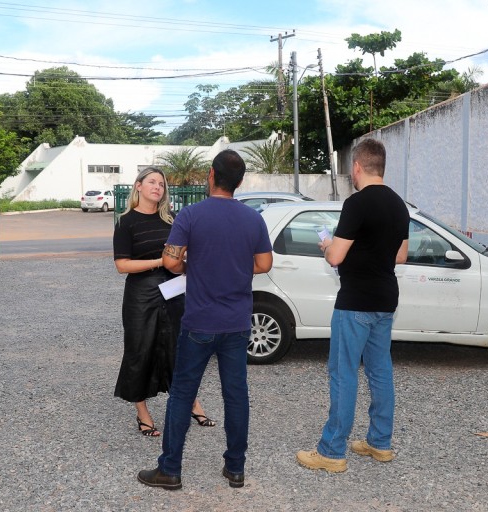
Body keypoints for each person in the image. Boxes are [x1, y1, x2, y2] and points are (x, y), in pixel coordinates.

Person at [137, 149, 273, 491]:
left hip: (199, 322)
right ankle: (236, 468)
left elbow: (171, 261)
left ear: (212, 175)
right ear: (239, 182)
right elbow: (264, 264)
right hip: (237, 324)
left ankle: (170, 469)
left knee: (182, 394)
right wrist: (235, 266)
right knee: (236, 395)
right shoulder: (253, 219)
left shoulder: (191, 215)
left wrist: (192, 265)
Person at [296, 138, 409, 473]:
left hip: (355, 301)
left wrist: (328, 246)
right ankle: (380, 443)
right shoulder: (399, 205)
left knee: (343, 372)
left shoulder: (356, 203)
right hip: (386, 299)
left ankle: (332, 451)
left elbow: (335, 257)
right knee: (380, 370)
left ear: (357, 166)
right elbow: (401, 255)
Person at [112, 167, 215, 438]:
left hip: (174, 292)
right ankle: (142, 412)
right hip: (141, 295)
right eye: (152, 182)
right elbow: (122, 265)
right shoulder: (126, 222)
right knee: (139, 350)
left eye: (161, 183)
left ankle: (192, 403)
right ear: (138, 186)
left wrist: (186, 262)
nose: (157, 187)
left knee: (178, 349)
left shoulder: (171, 220)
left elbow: (185, 254)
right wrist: (161, 261)